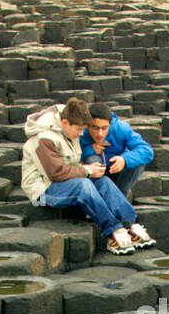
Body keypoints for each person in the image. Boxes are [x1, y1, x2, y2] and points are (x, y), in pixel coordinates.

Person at [21, 98, 154, 255]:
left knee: (100, 179)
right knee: (84, 184)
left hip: (67, 182)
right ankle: (113, 230)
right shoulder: (44, 139)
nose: (82, 133)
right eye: (79, 129)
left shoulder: (71, 126)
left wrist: (91, 169)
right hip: (43, 193)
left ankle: (130, 224)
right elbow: (56, 173)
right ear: (64, 123)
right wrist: (87, 170)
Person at [80, 101, 154, 200]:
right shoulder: (80, 131)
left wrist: (125, 159)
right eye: (95, 128)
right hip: (94, 175)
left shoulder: (121, 128)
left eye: (104, 128)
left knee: (137, 162)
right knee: (91, 159)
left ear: (110, 124)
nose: (100, 133)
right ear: (88, 124)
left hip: (118, 173)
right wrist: (90, 150)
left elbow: (147, 151)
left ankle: (120, 197)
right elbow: (68, 157)